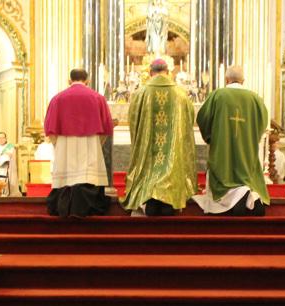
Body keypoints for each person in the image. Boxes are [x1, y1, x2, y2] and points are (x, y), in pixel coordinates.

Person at [121, 59, 196, 216]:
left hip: (149, 149)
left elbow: (133, 120)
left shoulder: (141, 93)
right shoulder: (180, 94)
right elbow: (189, 120)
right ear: (168, 72)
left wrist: (140, 139)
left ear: (150, 72)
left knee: (148, 168)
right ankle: (169, 199)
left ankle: (150, 198)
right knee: (170, 164)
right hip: (171, 149)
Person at [193, 65, 270, 216]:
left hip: (223, 151)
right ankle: (248, 196)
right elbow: (262, 124)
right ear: (243, 81)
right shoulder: (255, 99)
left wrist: (210, 137)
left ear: (226, 79)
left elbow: (203, 119)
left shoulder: (218, 95)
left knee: (223, 177)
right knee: (246, 178)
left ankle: (234, 200)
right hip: (246, 151)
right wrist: (250, 136)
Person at [43, 68, 114, 217]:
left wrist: (59, 144)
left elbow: (50, 128)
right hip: (89, 143)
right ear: (87, 81)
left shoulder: (58, 99)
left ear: (69, 81)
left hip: (65, 143)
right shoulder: (98, 98)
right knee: (88, 174)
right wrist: (97, 144)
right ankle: (86, 207)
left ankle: (64, 206)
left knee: (66, 173)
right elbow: (106, 127)